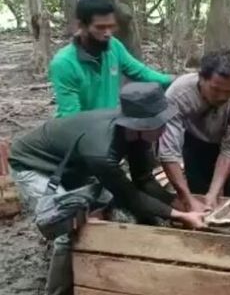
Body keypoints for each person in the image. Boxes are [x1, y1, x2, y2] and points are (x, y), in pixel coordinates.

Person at [9, 82, 206, 295]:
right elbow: (132, 196)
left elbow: (144, 180)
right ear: (138, 125)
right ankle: (60, 290)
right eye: (158, 125)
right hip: (34, 164)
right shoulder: (102, 152)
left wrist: (179, 204)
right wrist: (181, 216)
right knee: (66, 230)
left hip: (72, 164)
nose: (163, 129)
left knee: (107, 204)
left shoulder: (137, 135)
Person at [48, 0, 175, 118]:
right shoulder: (64, 63)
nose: (108, 33)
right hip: (81, 131)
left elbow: (141, 72)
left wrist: (174, 80)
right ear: (81, 26)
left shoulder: (114, 46)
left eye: (111, 26)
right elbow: (70, 117)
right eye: (100, 27)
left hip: (109, 124)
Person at [159, 49, 230, 212]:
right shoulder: (177, 95)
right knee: (197, 195)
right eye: (216, 90)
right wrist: (187, 198)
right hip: (196, 142)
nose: (222, 97)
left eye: (228, 92)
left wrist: (214, 192)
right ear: (201, 78)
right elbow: (168, 152)